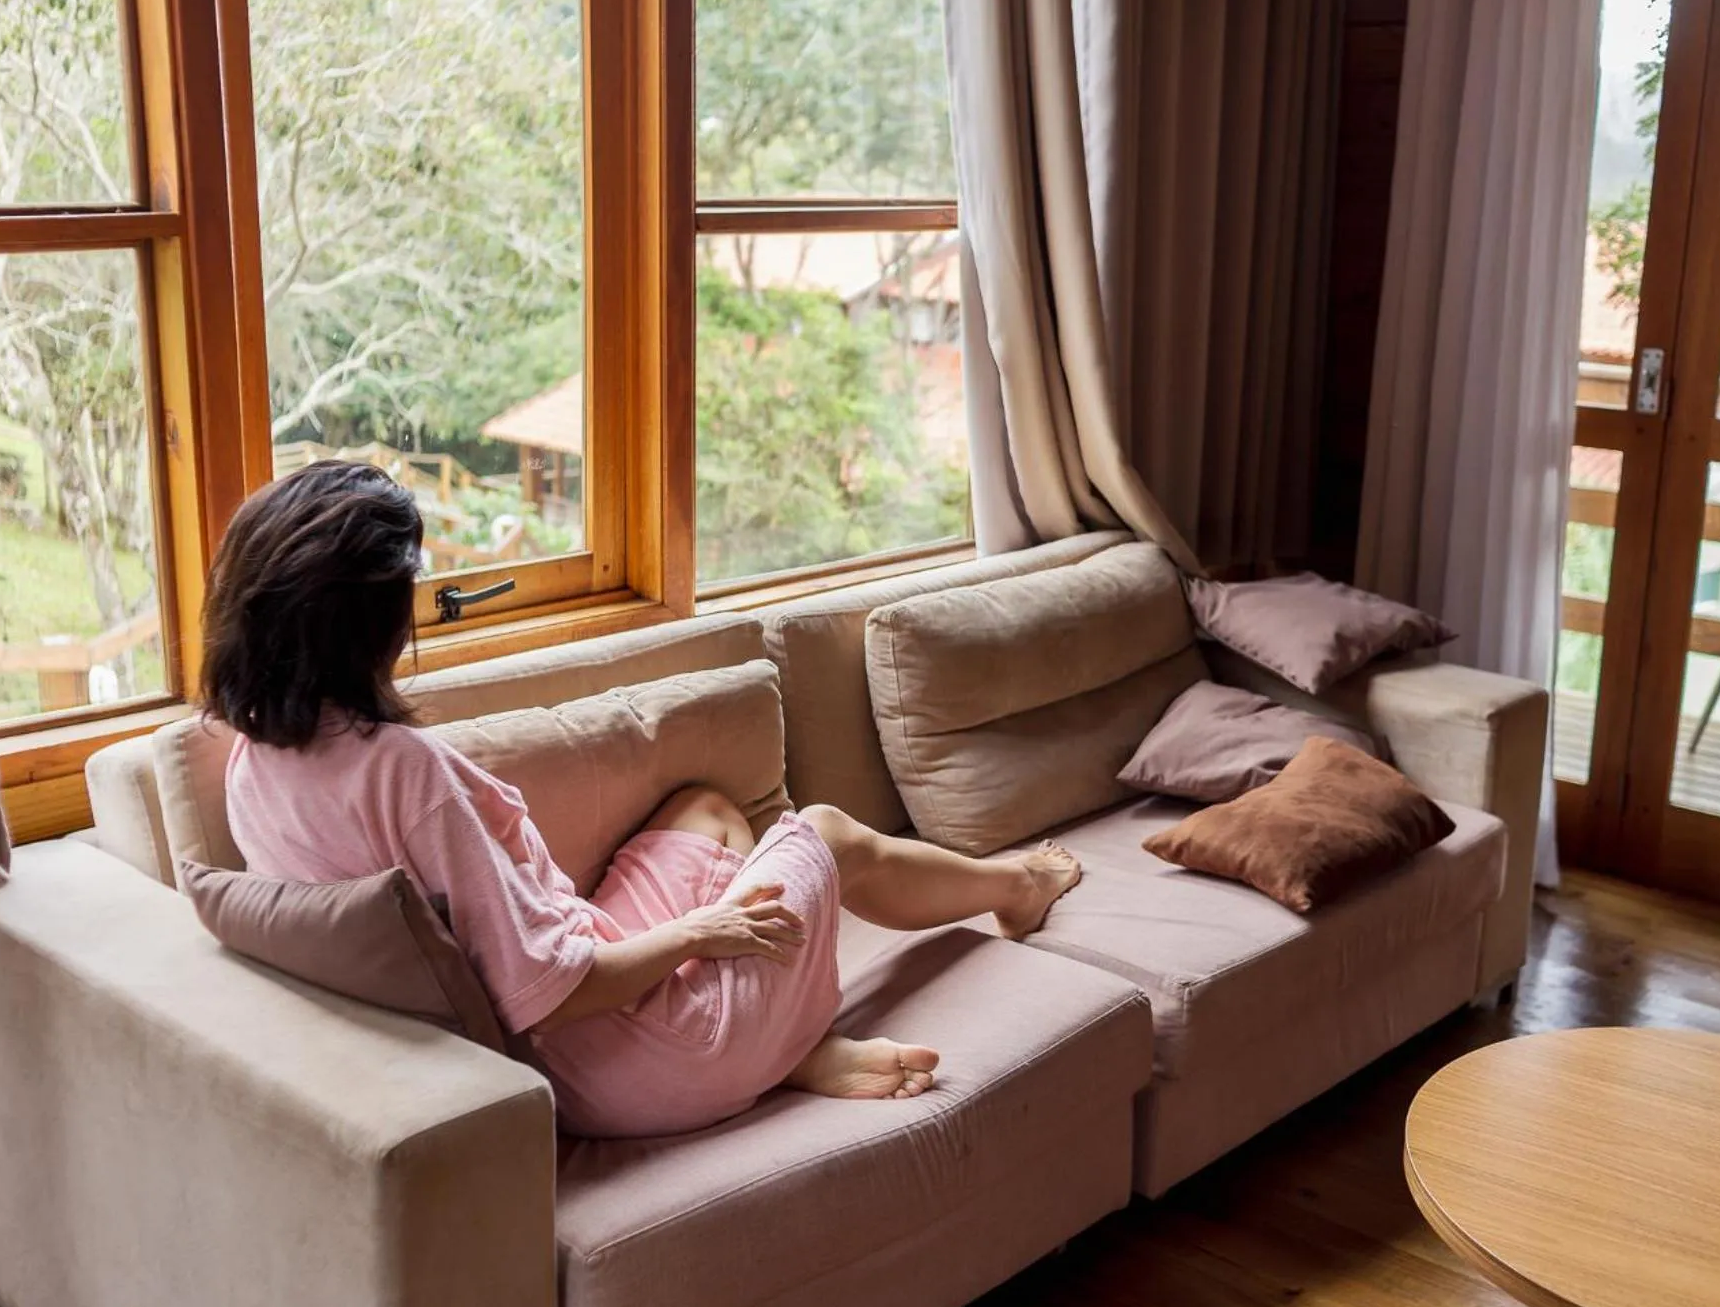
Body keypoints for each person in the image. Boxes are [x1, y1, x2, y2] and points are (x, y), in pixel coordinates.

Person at [205, 461, 1081, 1138]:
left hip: (569, 1042)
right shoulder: (401, 770)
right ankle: (1014, 890)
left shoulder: (252, 764)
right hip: (622, 1058)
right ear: (370, 624)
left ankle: (784, 1051)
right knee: (822, 833)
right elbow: (541, 994)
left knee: (705, 810)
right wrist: (701, 935)